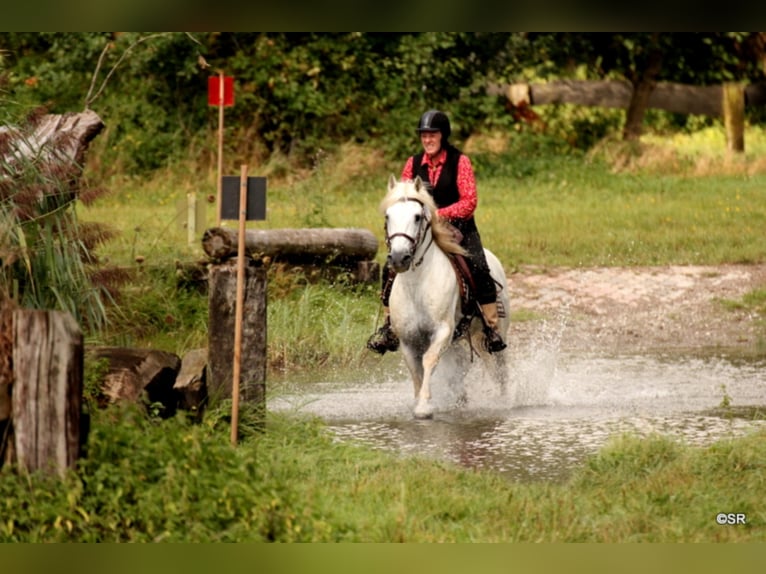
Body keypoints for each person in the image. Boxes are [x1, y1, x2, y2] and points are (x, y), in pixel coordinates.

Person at [367, 109, 507, 355]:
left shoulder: (460, 162)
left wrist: (439, 214)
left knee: (478, 265)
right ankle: (389, 326)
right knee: (391, 266)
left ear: (443, 136)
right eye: (424, 135)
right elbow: (402, 197)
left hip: (459, 229)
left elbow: (469, 201)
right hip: (421, 229)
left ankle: (490, 326)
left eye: (432, 135)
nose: (427, 140)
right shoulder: (412, 163)